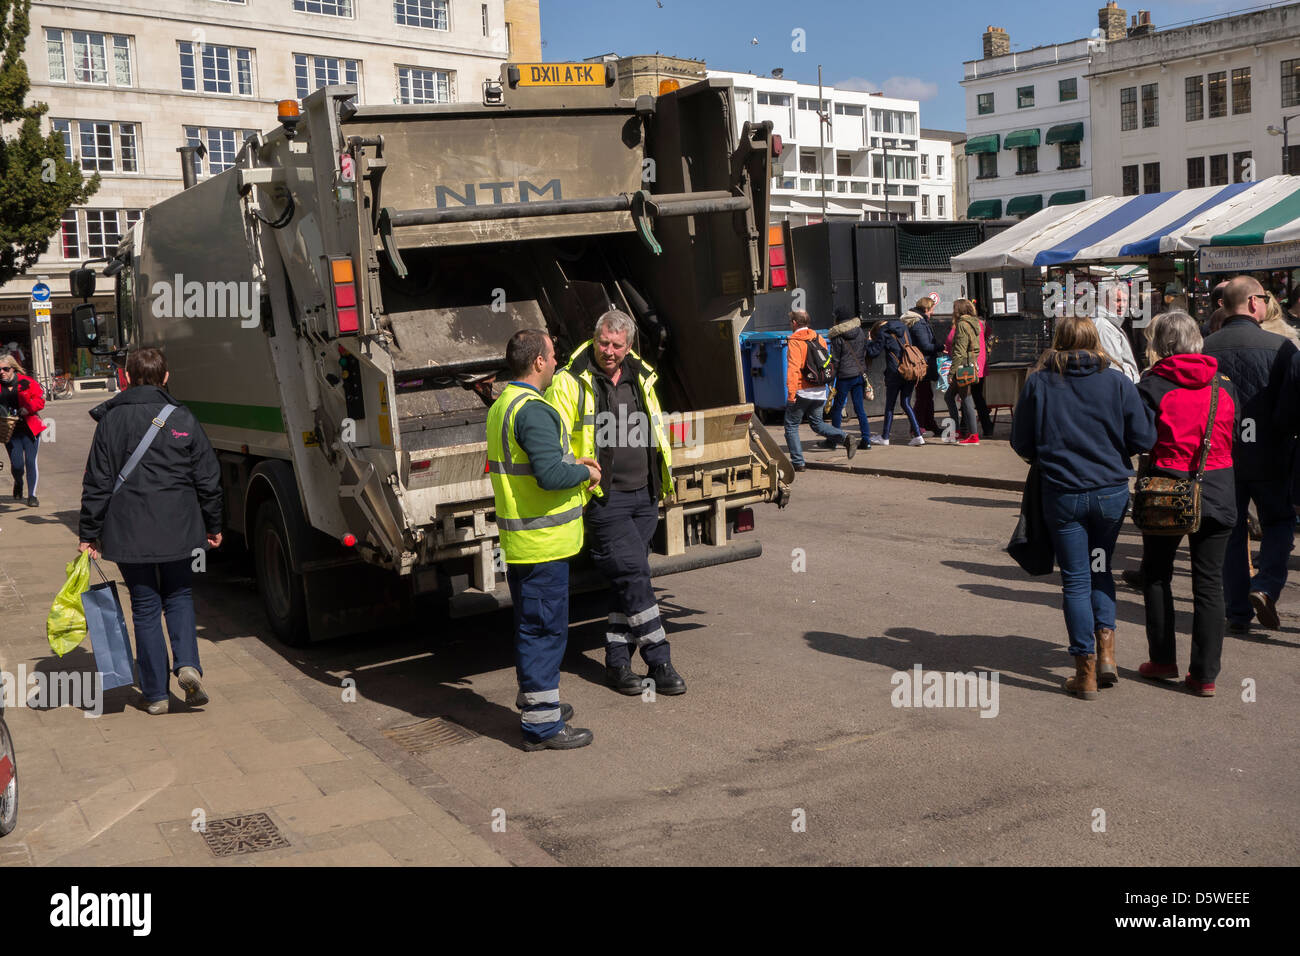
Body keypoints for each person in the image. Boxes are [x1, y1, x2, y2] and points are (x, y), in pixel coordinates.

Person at [1011, 317, 1157, 700]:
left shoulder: (1039, 382)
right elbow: (1143, 437)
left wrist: (1046, 456)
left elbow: (1021, 441)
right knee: (1099, 567)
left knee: (1076, 580)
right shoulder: (1118, 382)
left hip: (1064, 493)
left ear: (1057, 341)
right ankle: (1107, 652)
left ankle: (1086, 670)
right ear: (1096, 341)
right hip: (1108, 494)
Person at [547, 310, 688, 697]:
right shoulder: (571, 378)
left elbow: (655, 426)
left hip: (644, 493)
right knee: (634, 575)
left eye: (617, 345)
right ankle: (659, 659)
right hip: (603, 498)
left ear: (628, 346)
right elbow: (554, 433)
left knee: (627, 581)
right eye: (604, 343)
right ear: (595, 338)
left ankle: (617, 664)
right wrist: (574, 463)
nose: (609, 351)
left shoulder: (640, 374)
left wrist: (662, 479)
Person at [77, 348, 222, 715]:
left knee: (144, 606)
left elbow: (97, 481)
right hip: (178, 528)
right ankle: (187, 663)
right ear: (166, 377)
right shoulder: (183, 417)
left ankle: (156, 694)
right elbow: (207, 476)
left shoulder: (110, 421)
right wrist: (214, 523)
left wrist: (88, 532)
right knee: (179, 595)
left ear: (126, 377)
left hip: (128, 532)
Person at [487, 329, 599, 750]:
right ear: (537, 361)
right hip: (543, 545)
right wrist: (585, 473)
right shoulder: (535, 410)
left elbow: (540, 463)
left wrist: (572, 461)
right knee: (545, 633)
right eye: (553, 356)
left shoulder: (504, 404)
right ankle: (542, 726)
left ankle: (537, 703)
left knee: (532, 628)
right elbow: (550, 476)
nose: (556, 362)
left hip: (523, 545)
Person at [1136, 311, 1238, 697]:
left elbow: (1140, 437)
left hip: (1167, 486)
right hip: (1219, 487)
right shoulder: (1224, 384)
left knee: (1158, 574)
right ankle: (1204, 675)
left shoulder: (1152, 385)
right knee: (1209, 585)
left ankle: (1162, 659)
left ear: (1160, 345)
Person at [1204, 276, 1299, 633]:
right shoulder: (1283, 347)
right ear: (1255, 303)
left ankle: (1238, 610)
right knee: (1278, 522)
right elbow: (1292, 407)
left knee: (1231, 530)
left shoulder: (1205, 347)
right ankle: (1265, 585)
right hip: (1271, 452)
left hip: (1222, 455)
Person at [780, 310, 856, 469]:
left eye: (790, 322)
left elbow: (793, 369)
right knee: (817, 424)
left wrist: (791, 393)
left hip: (802, 390)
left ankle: (798, 462)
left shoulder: (795, 341)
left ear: (794, 323)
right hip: (820, 389)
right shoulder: (819, 338)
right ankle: (845, 437)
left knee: (791, 426)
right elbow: (825, 364)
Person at [827, 306, 881, 449]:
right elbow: (864, 353)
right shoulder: (860, 333)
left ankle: (835, 439)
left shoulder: (837, 337)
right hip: (859, 375)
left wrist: (832, 380)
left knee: (837, 408)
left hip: (844, 377)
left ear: (838, 320)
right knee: (860, 408)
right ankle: (866, 440)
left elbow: (836, 360)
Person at [874, 316, 926, 446]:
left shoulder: (883, 332)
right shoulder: (904, 328)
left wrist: (869, 342)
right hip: (909, 370)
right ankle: (918, 435)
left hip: (895, 373)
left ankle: (885, 437)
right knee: (906, 403)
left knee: (890, 406)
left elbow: (874, 351)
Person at [0, 355, 45, 507]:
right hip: (10, 431)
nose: (2, 372)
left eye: (5, 369)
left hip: (30, 429)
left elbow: (40, 400)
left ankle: (32, 495)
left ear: (13, 368)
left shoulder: (27, 382)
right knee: (17, 464)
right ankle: (18, 482)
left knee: (31, 462)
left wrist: (29, 408)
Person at [943, 298, 984, 445]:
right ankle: (959, 430)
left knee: (966, 399)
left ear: (958, 310)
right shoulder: (974, 323)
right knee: (950, 396)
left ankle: (973, 435)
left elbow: (959, 352)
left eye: (954, 308)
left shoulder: (961, 325)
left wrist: (951, 373)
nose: (952, 311)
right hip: (970, 364)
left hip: (962, 367)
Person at [902, 297, 941, 435]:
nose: (932, 313)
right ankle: (917, 427)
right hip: (921, 364)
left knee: (926, 395)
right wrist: (940, 347)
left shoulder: (920, 321)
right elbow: (925, 345)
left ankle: (929, 423)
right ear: (926, 309)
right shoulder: (919, 323)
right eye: (931, 310)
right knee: (923, 396)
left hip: (923, 363)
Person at [1093, 280, 1141, 383]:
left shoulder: (1111, 323)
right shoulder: (1104, 326)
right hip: (1121, 386)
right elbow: (1114, 365)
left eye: (1125, 300)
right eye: (1117, 300)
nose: (1122, 305)